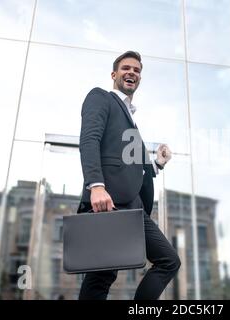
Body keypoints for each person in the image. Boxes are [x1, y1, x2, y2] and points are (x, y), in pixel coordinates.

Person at [77, 51, 181, 300]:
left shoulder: (131, 121)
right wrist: (96, 186)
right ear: (114, 74)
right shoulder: (100, 97)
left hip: (134, 208)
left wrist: (157, 164)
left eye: (136, 70)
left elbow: (133, 167)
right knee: (102, 275)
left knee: (169, 261)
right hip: (109, 202)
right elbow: (89, 140)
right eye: (126, 68)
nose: (132, 72)